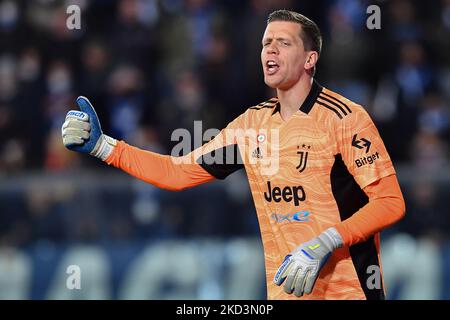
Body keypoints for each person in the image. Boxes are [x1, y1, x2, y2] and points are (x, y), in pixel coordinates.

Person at [61, 9, 405, 300]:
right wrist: (103, 146)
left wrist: (324, 243)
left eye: (283, 43)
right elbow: (176, 172)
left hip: (351, 293)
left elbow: (390, 202)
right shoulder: (250, 125)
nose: (270, 50)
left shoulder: (345, 118)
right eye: (266, 43)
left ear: (309, 59)